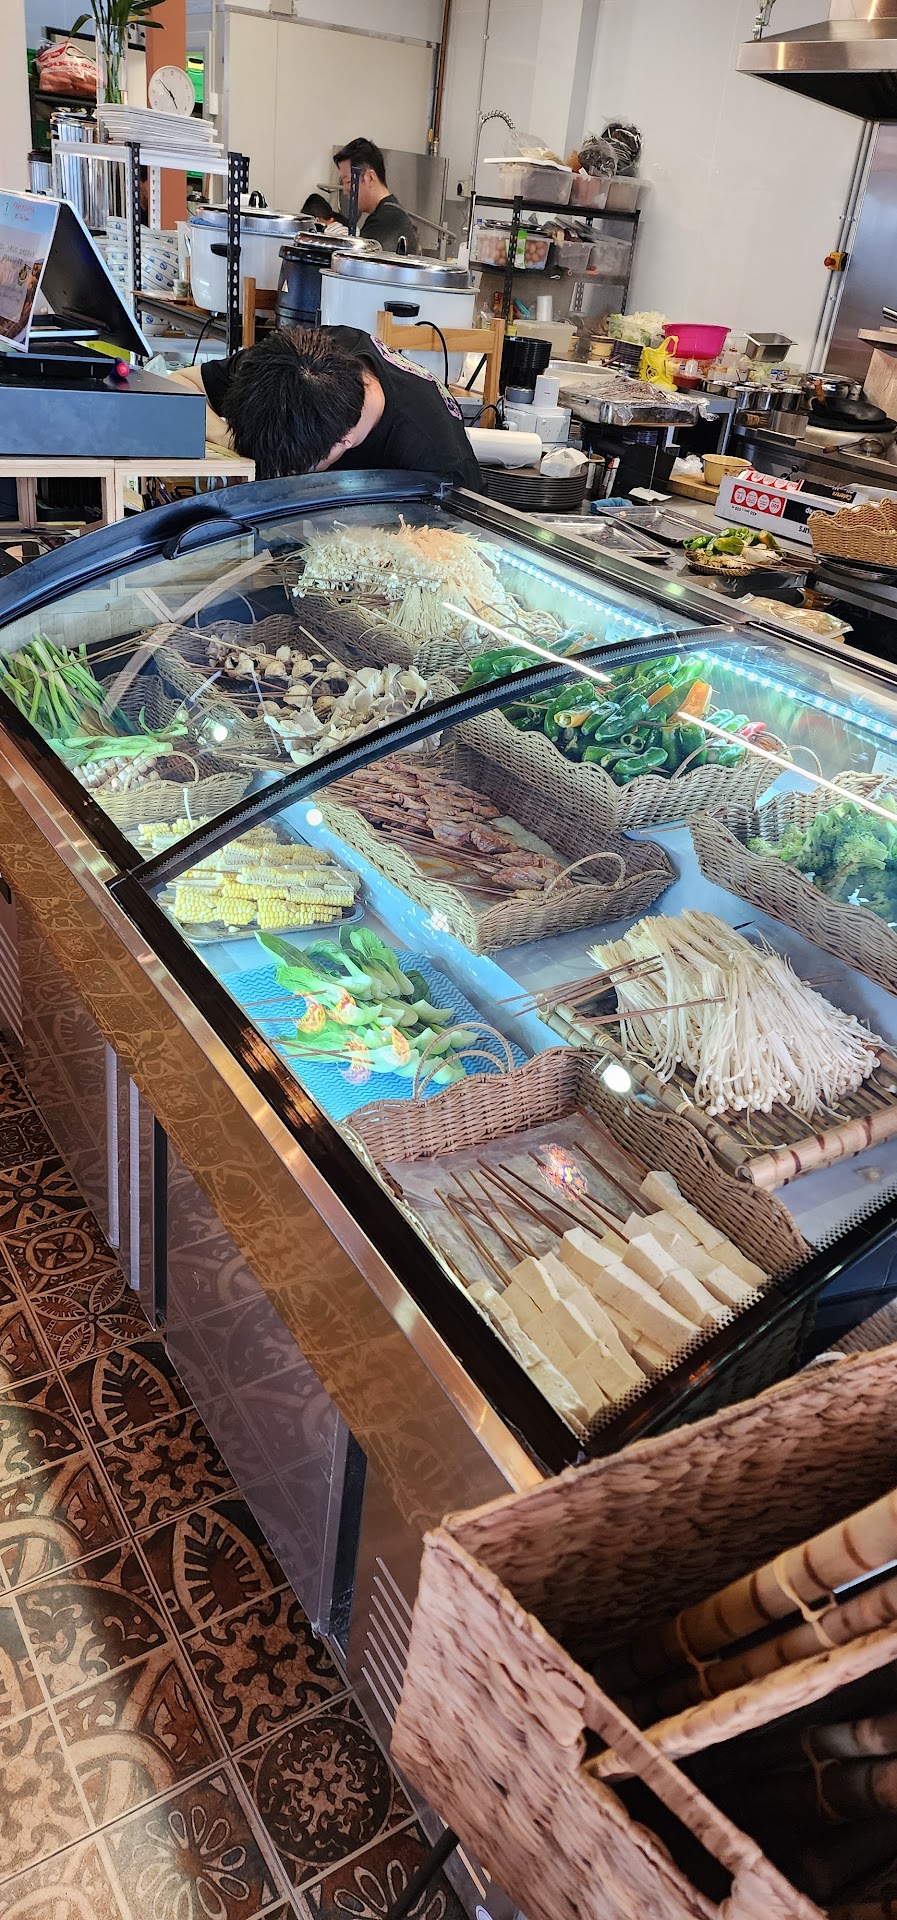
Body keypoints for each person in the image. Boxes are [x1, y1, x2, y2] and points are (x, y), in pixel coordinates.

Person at [175, 323, 481, 489]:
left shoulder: (438, 460)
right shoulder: (292, 361)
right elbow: (180, 384)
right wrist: (229, 440)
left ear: (344, 441)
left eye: (293, 471)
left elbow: (459, 554)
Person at [333, 138, 419, 254]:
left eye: (348, 182)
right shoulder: (392, 214)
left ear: (370, 177)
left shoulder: (385, 222)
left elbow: (359, 262)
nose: (345, 191)